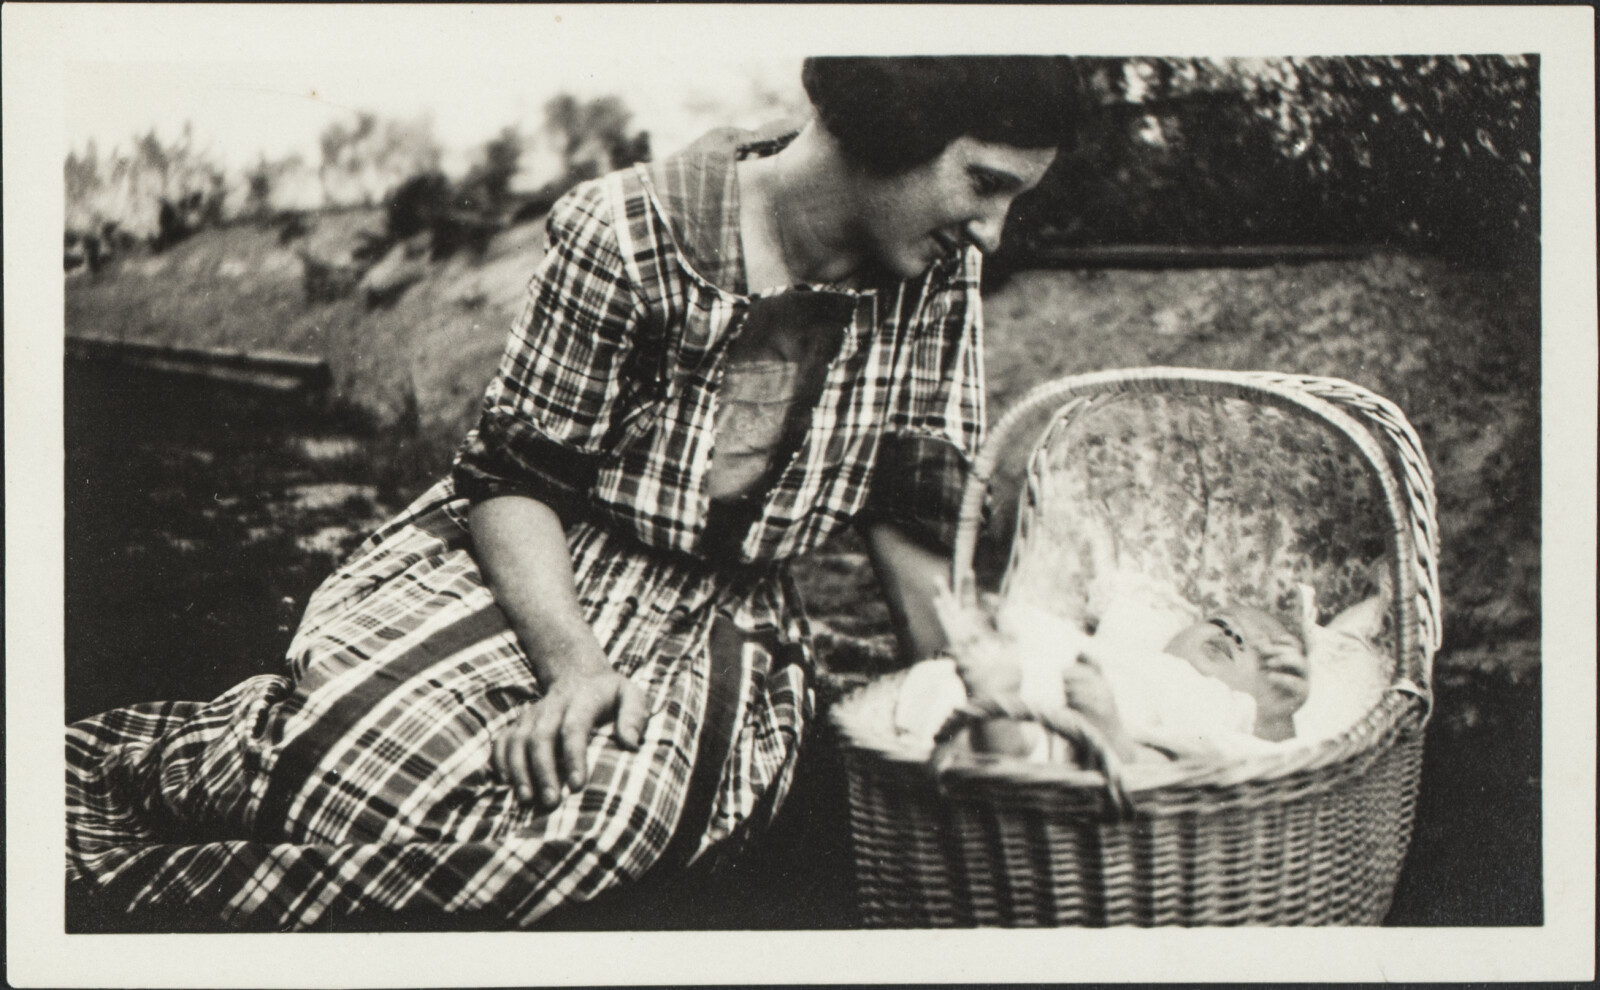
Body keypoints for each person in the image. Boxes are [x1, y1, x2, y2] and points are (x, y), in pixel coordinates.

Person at [65, 56, 1082, 930]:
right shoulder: (629, 231)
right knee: (353, 776)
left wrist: (969, 706)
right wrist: (570, 667)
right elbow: (511, 479)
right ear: (891, 124)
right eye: (983, 183)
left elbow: (908, 514)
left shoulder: (933, 282)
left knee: (595, 822)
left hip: (713, 613)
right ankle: (236, 760)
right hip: (539, 563)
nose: (992, 233)